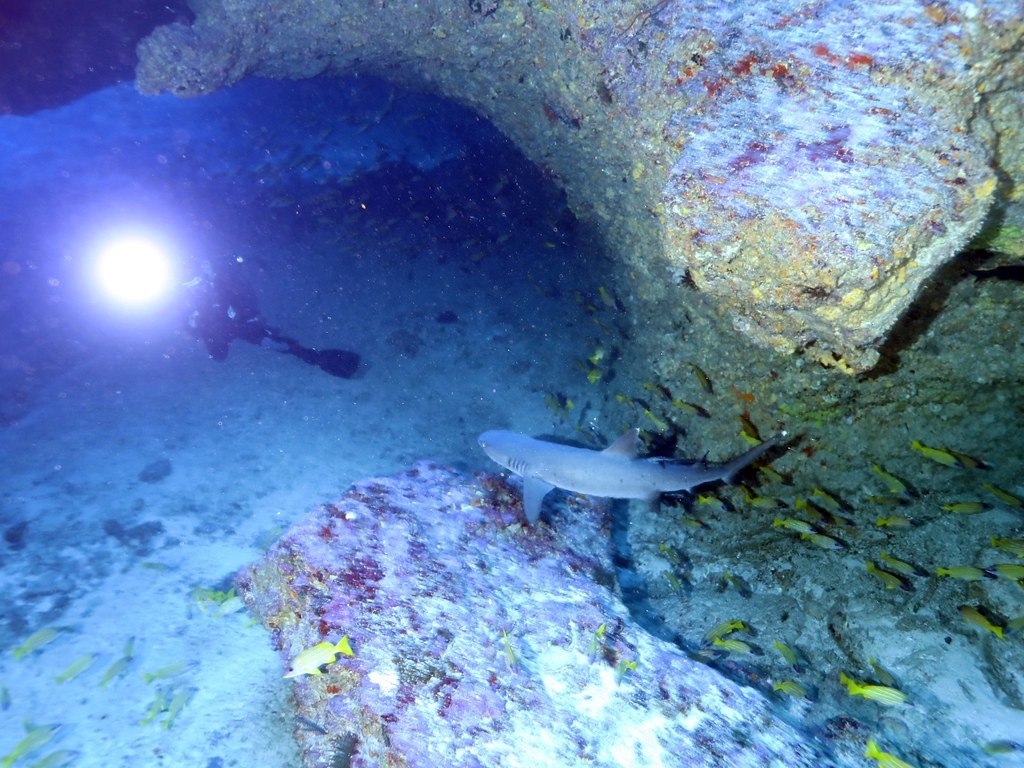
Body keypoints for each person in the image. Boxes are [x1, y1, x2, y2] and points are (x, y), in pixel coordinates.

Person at [183, 258, 360, 378]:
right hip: (217, 328)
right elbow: (190, 327)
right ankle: (317, 357)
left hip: (239, 325)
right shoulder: (185, 296)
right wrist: (199, 326)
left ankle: (328, 360)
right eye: (187, 281)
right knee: (218, 356)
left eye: (193, 278)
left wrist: (240, 321)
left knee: (274, 343)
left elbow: (247, 305)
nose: (192, 284)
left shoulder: (220, 283)